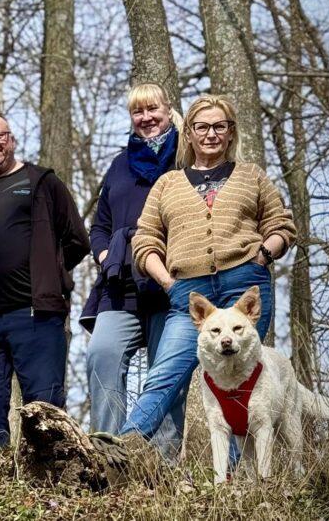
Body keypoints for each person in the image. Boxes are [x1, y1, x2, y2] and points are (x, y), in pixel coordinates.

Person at [115, 94, 296, 449]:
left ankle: (229, 478)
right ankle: (124, 448)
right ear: (190, 134)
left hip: (244, 289)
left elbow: (281, 226)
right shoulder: (167, 184)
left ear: (230, 133)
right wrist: (168, 282)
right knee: (165, 374)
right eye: (202, 127)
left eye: (219, 126)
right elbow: (145, 241)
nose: (210, 134)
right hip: (189, 295)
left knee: (239, 380)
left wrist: (261, 256)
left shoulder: (252, 176)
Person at [0, 114, 90, 446]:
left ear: (11, 139)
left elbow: (77, 240)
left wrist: (46, 271)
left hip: (34, 314)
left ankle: (52, 476)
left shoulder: (42, 182)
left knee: (45, 407)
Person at [80, 83, 183, 460]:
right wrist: (107, 255)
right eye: (137, 112)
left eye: (152, 109)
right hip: (120, 284)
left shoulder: (185, 159)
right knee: (101, 354)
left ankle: (163, 463)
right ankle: (108, 455)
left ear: (169, 110)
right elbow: (99, 226)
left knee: (166, 370)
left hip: (170, 283)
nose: (145, 118)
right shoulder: (120, 163)